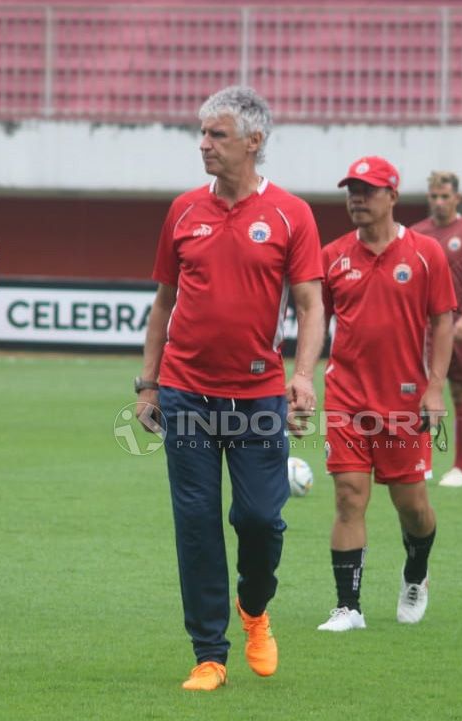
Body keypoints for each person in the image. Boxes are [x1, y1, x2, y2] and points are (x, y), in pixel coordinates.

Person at [135, 86, 325, 691]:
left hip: (259, 394)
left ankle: (255, 610)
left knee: (260, 520)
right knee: (195, 523)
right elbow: (162, 303)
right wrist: (148, 386)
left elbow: (310, 304)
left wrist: (302, 375)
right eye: (203, 133)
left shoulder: (292, 214)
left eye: (217, 135)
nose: (204, 145)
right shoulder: (183, 210)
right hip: (185, 391)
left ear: (254, 140)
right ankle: (209, 654)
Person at [317, 156, 455, 632]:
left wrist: (435, 387)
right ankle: (348, 607)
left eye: (368, 190)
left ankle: (416, 572)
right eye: (351, 190)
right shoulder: (332, 255)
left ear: (392, 196)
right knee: (349, 497)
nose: (357, 198)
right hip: (346, 399)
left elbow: (443, 321)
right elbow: (318, 321)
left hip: (404, 403)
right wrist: (298, 378)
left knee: (412, 507)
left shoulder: (425, 254)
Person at [409, 171, 462, 488]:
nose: (439, 202)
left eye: (445, 196)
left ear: (457, 198)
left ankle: (459, 468)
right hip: (425, 330)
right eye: (434, 196)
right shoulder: (416, 234)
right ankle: (418, 462)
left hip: (459, 328)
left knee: (460, 392)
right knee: (418, 394)